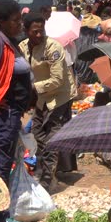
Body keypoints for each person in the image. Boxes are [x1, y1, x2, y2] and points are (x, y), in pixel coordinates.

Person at [0, 0, 32, 222]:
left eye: (19, 19)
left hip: (12, 112)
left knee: (3, 159)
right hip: (4, 113)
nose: (19, 23)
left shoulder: (10, 42)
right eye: (15, 20)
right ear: (1, 22)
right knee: (1, 162)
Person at [19, 12, 77, 192]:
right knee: (37, 133)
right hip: (40, 98)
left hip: (59, 96)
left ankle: (47, 179)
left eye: (41, 31)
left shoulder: (53, 48)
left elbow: (58, 79)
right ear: (26, 30)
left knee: (52, 137)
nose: (38, 35)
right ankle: (44, 168)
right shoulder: (22, 47)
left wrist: (33, 88)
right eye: (34, 31)